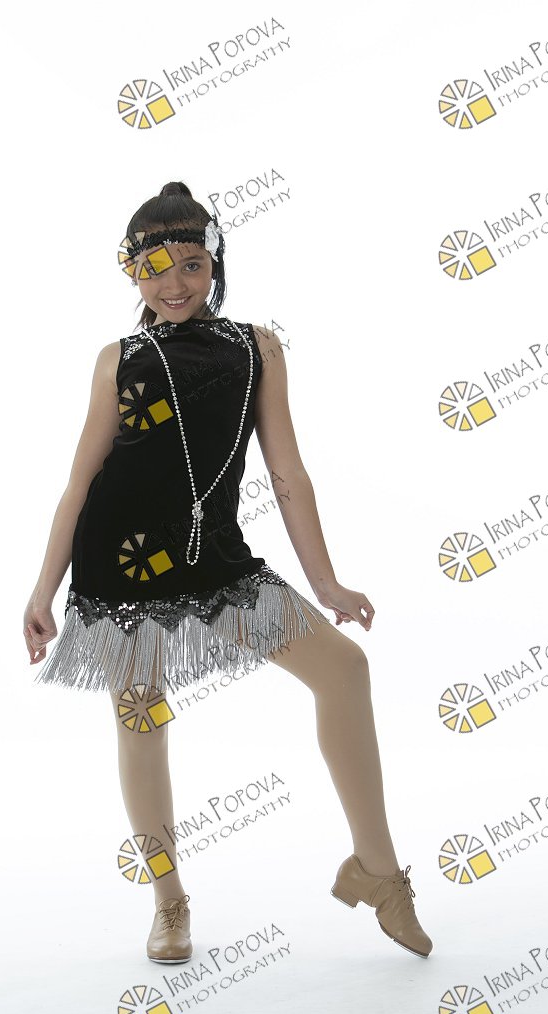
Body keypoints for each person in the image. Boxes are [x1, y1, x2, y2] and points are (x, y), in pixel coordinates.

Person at [23, 181, 432, 965]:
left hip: (214, 556)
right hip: (121, 562)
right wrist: (44, 590)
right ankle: (168, 900)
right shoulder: (119, 361)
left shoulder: (256, 348)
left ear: (215, 264)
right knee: (142, 719)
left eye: (192, 264)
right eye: (155, 268)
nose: (175, 284)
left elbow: (288, 473)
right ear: (132, 272)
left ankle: (379, 873)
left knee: (343, 670)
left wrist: (326, 583)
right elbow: (80, 482)